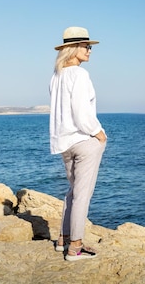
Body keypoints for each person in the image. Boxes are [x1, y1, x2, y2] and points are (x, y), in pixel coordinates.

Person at [49, 26, 107, 261]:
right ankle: (75, 248)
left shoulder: (56, 75)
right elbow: (81, 111)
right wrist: (98, 132)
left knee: (72, 192)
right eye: (86, 46)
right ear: (73, 48)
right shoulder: (80, 75)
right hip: (84, 140)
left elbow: (59, 113)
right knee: (82, 195)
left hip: (65, 143)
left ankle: (63, 239)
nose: (90, 51)